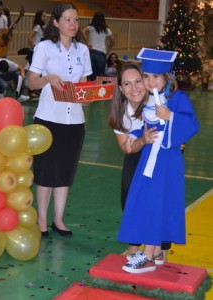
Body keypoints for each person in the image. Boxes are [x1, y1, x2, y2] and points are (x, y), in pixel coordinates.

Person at [118, 48, 200, 274]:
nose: (150, 81)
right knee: (146, 201)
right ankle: (152, 254)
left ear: (166, 77)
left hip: (167, 161)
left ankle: (147, 256)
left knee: (156, 203)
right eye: (146, 76)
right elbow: (145, 128)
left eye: (155, 76)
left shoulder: (177, 98)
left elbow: (192, 125)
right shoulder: (147, 102)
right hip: (148, 160)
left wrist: (171, 116)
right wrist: (134, 138)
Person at [28, 3, 92, 237]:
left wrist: (88, 98)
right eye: (67, 19)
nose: (73, 24)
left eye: (75, 20)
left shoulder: (82, 51)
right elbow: (31, 82)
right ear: (55, 23)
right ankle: (42, 219)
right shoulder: (44, 48)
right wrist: (47, 78)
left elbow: (84, 85)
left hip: (75, 120)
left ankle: (59, 219)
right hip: (48, 118)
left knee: (65, 171)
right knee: (45, 171)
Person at [109, 62, 172, 264]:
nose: (134, 88)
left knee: (159, 198)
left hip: (160, 153)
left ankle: (159, 248)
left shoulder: (160, 102)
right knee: (129, 191)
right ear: (120, 88)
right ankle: (133, 245)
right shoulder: (121, 113)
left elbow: (177, 126)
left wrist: (178, 141)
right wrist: (142, 139)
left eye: (138, 81)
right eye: (127, 84)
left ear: (146, 81)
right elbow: (127, 148)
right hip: (138, 151)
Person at [81, 12, 114, 81]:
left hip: (91, 52)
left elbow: (83, 32)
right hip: (101, 53)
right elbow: (112, 41)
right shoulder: (106, 29)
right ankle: (100, 89)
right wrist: (109, 49)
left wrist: (87, 43)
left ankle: (91, 89)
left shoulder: (91, 27)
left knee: (91, 74)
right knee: (101, 74)